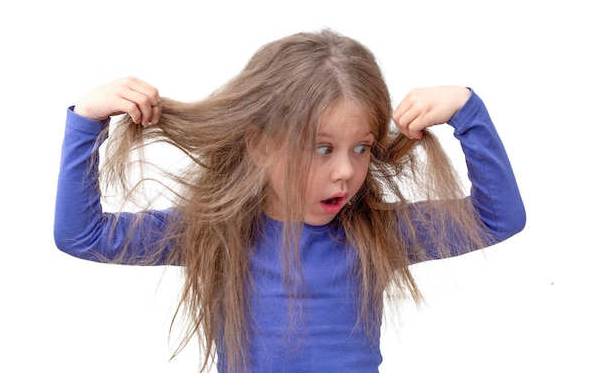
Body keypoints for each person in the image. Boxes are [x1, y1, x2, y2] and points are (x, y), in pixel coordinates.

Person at [54, 28, 526, 373]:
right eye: (322, 148)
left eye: (361, 148)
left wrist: (468, 112)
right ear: (259, 145)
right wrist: (86, 121)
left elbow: (498, 219)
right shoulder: (215, 232)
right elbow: (83, 235)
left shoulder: (380, 232)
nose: (345, 169)